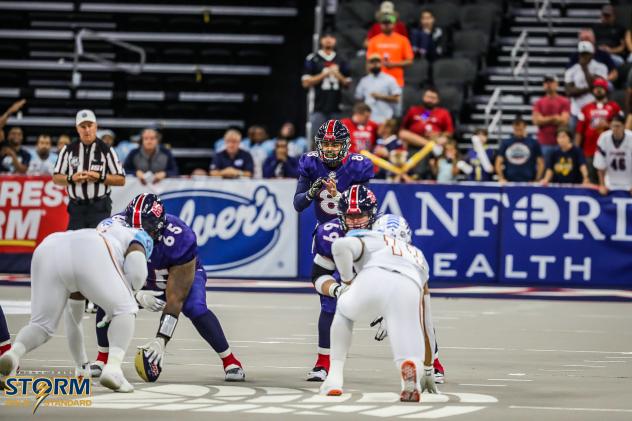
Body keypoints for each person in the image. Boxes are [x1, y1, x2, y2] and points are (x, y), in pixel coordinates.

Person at [90, 194, 246, 382]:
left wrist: (161, 340)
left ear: (160, 227)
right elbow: (107, 278)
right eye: (135, 231)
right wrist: (135, 294)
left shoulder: (181, 237)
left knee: (194, 307)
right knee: (107, 302)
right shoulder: (113, 229)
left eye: (146, 232)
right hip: (141, 279)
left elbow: (175, 299)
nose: (141, 237)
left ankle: (230, 360)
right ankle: (102, 358)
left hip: (176, 279)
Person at [0, 214, 154, 392]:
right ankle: (113, 368)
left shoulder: (110, 226)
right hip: (90, 248)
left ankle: (14, 353)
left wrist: (81, 366)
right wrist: (131, 297)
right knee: (126, 309)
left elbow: (74, 320)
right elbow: (136, 274)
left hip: (51, 246)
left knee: (40, 326)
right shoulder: (139, 235)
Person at [320, 213, 437, 401]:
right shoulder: (418, 256)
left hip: (374, 276)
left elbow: (340, 246)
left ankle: (334, 377)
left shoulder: (371, 237)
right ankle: (411, 373)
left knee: (343, 309)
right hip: (408, 287)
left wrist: (347, 281)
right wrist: (430, 368)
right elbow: (426, 321)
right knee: (407, 332)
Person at [293, 120, 374, 381]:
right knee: (328, 304)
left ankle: (431, 362)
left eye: (334, 144)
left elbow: (361, 207)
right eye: (326, 144)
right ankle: (323, 363)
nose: (329, 149)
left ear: (346, 146)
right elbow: (298, 204)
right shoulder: (309, 163)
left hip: (358, 233)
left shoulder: (358, 165)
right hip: (329, 233)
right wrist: (311, 192)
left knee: (389, 297)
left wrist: (338, 194)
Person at [53, 110, 125, 230]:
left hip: (99, 207)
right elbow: (56, 178)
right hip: (76, 208)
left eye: (90, 125)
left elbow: (121, 179)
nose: (87, 130)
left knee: (98, 244)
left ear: (96, 126)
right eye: (83, 126)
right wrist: (71, 178)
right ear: (77, 128)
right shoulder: (68, 150)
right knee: (75, 244)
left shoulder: (106, 150)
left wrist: (100, 177)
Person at [302, 33, 351, 139]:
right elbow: (305, 82)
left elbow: (348, 83)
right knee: (317, 139)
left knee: (337, 140)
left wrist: (337, 75)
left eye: (331, 37)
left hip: (336, 107)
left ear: (335, 40)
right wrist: (324, 74)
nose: (328, 40)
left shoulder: (341, 59)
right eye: (325, 37)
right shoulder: (313, 58)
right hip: (318, 106)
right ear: (321, 41)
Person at [399, 87, 454, 179]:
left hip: (435, 141)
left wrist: (438, 135)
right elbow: (403, 130)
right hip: (415, 141)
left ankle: (431, 147)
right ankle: (430, 146)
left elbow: (449, 133)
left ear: (438, 100)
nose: (430, 100)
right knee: (403, 134)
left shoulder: (443, 113)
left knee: (443, 140)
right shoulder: (413, 110)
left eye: (433, 98)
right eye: (428, 97)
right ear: (423, 97)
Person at [575, 77, 621, 183]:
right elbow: (579, 132)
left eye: (601, 87)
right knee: (591, 179)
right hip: (590, 150)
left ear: (606, 89)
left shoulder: (614, 107)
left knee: (608, 180)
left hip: (610, 151)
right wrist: (576, 151)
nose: (599, 90)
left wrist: (608, 125)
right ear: (593, 90)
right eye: (596, 88)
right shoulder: (585, 108)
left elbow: (622, 128)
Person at [564, 41, 608, 129]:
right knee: (575, 137)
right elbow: (569, 92)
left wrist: (585, 69)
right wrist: (589, 88)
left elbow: (599, 86)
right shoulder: (572, 70)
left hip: (595, 111)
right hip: (576, 110)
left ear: (592, 54)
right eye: (582, 54)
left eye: (586, 54)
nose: (584, 57)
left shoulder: (601, 67)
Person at [366, 12, 414, 88]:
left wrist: (393, 64)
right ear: (380, 25)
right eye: (384, 23)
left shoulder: (403, 40)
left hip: (396, 81)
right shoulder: (373, 41)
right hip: (377, 81)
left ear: (394, 24)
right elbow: (369, 62)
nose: (386, 25)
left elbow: (409, 61)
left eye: (389, 23)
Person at [495, 115, 544, 183]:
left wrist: (537, 179)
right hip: (510, 181)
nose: (518, 131)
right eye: (516, 129)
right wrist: (501, 178)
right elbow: (498, 162)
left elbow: (540, 163)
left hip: (528, 181)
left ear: (525, 128)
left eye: (520, 129)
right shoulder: (506, 143)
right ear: (513, 128)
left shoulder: (533, 143)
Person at [354, 54, 402, 124]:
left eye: (377, 62)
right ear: (368, 64)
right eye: (372, 62)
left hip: (385, 118)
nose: (375, 64)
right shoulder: (364, 81)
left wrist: (380, 97)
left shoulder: (389, 79)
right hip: (368, 120)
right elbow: (358, 98)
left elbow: (397, 98)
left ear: (381, 63)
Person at [532, 75, 571, 160]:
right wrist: (555, 118)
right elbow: (536, 121)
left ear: (557, 84)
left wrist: (544, 119)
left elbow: (564, 120)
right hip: (544, 142)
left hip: (561, 142)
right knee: (545, 169)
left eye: (551, 82)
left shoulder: (564, 101)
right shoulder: (539, 102)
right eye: (546, 83)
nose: (548, 84)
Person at [594, 114, 632, 195]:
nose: (615, 129)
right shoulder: (604, 138)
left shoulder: (631, 138)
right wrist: (602, 185)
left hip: (629, 182)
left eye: (618, 126)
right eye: (613, 126)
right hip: (610, 183)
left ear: (624, 126)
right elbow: (600, 164)